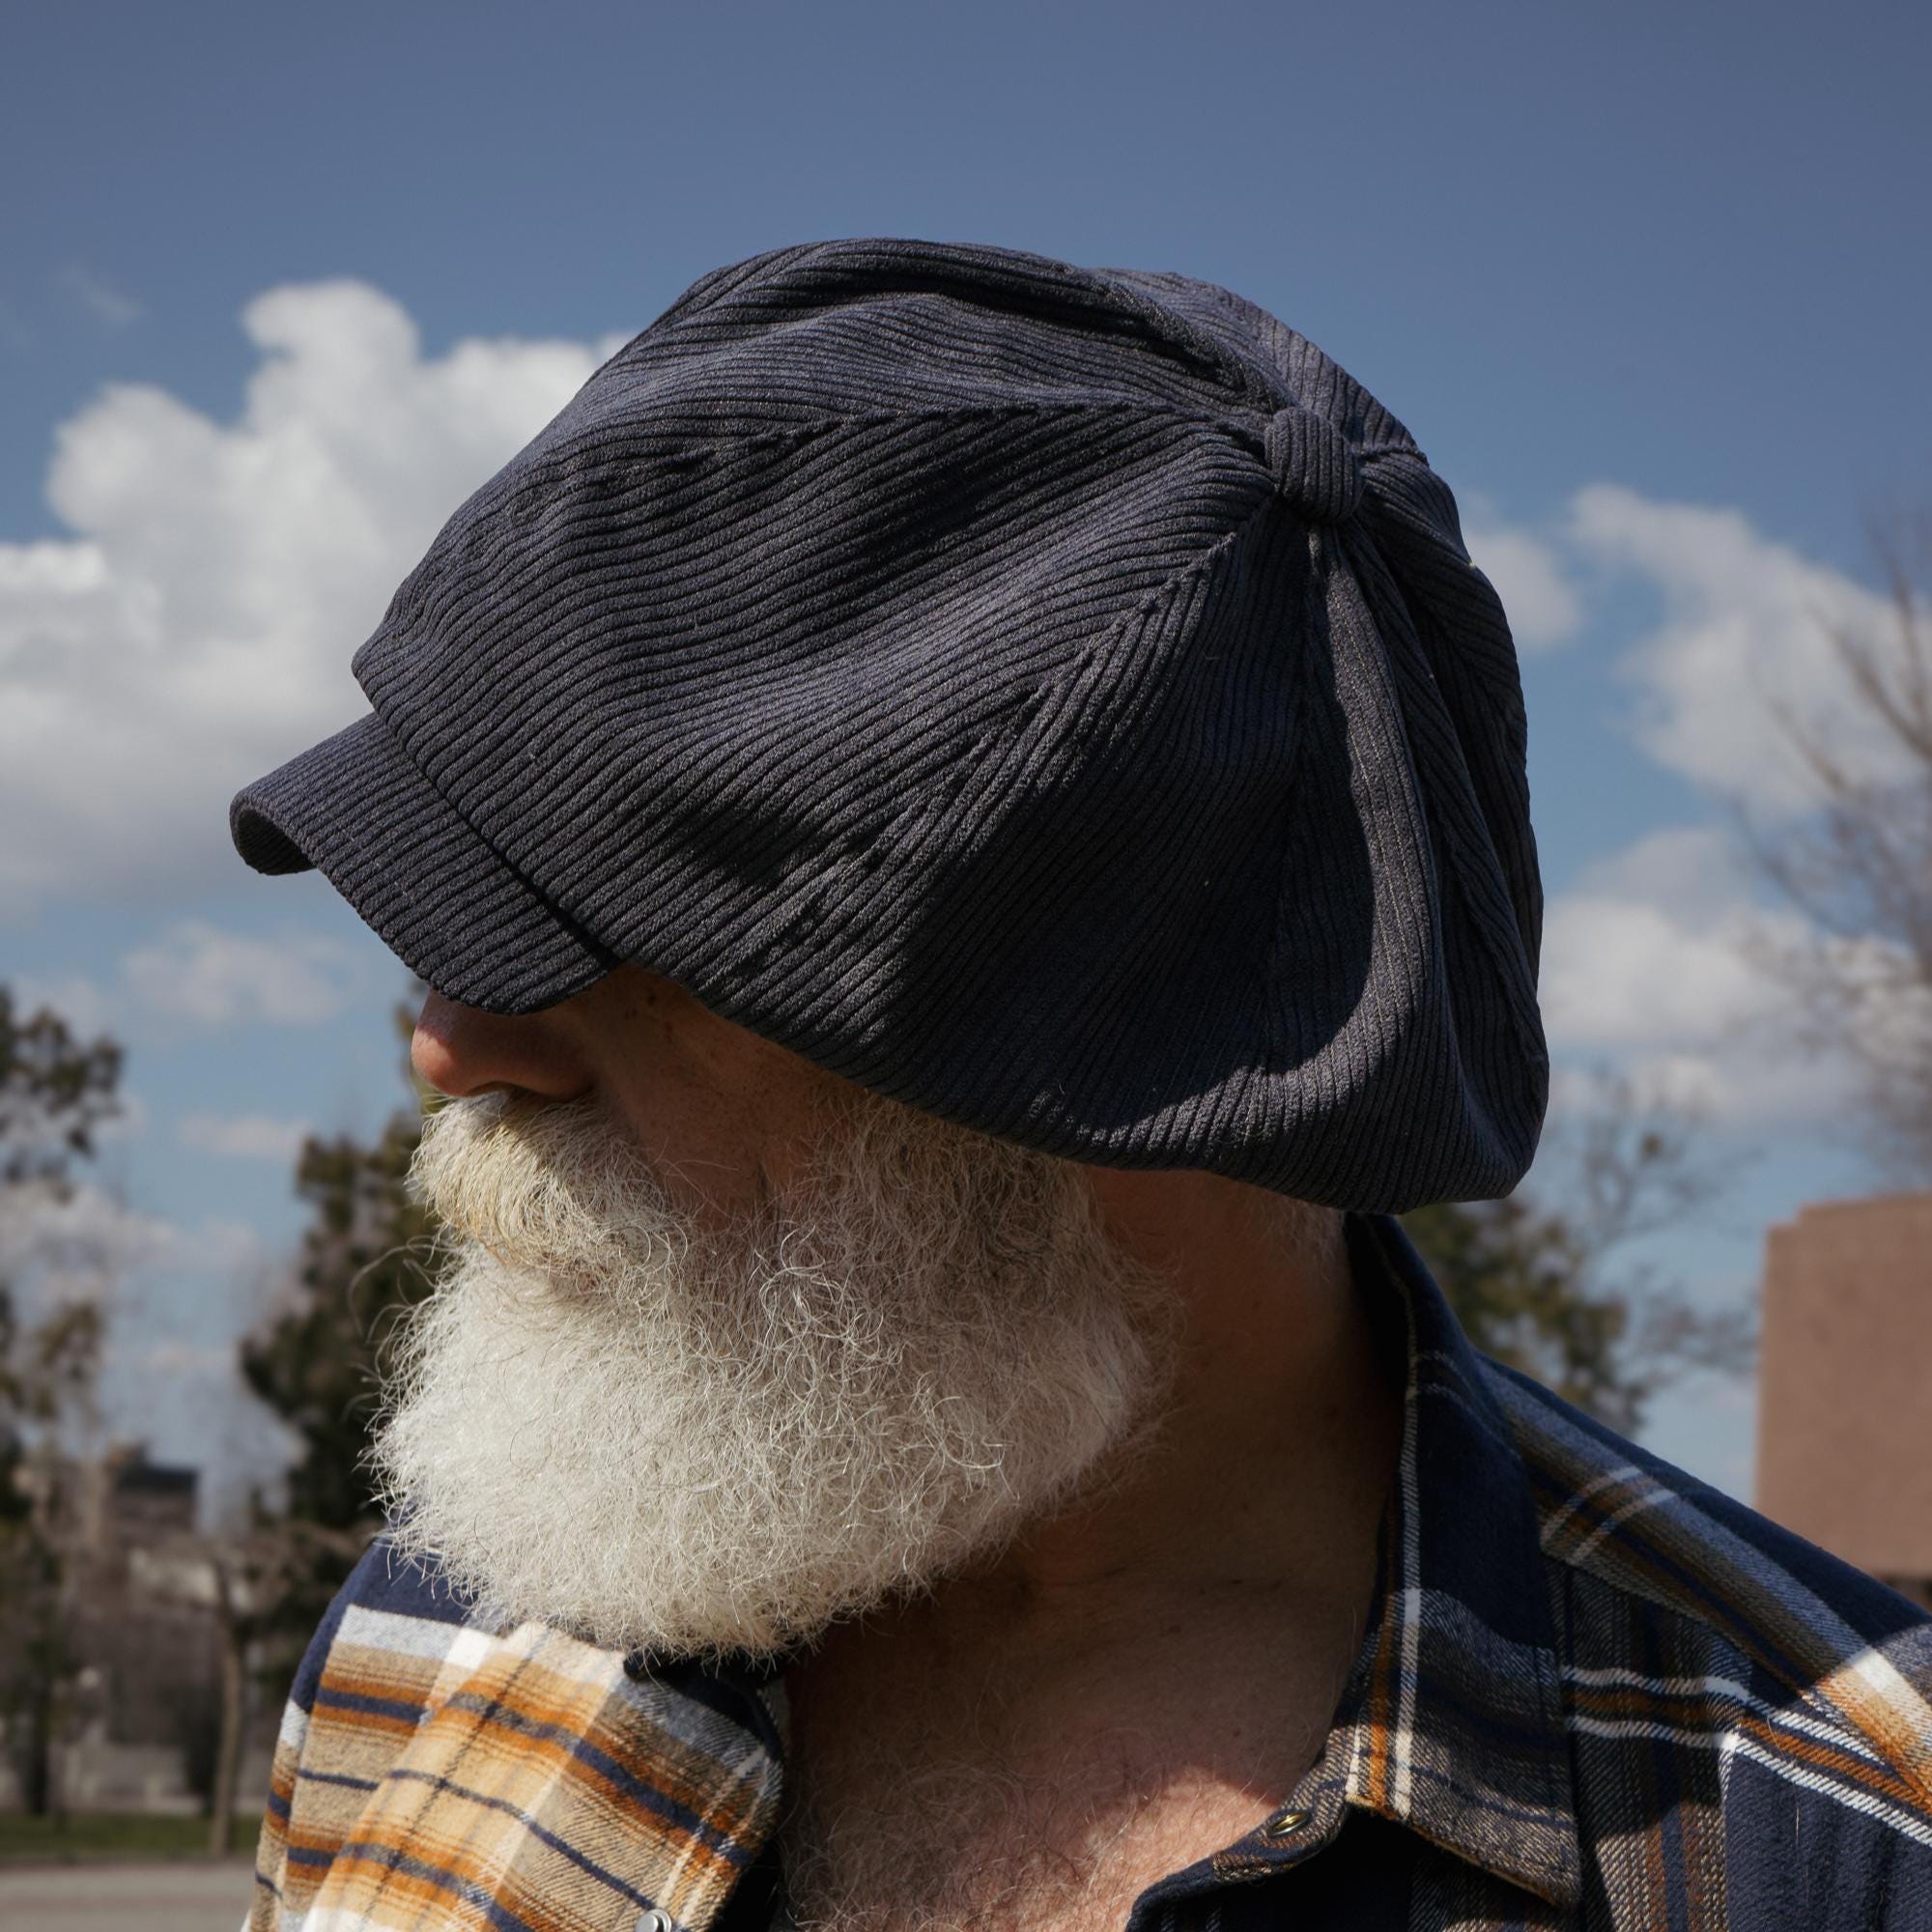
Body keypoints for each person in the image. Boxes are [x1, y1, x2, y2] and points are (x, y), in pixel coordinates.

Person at [229, 238, 1932, 1932]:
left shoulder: (1835, 1842)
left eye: (610, 944)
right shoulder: (436, 1644)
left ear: (1110, 1076)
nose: (452, 1044)